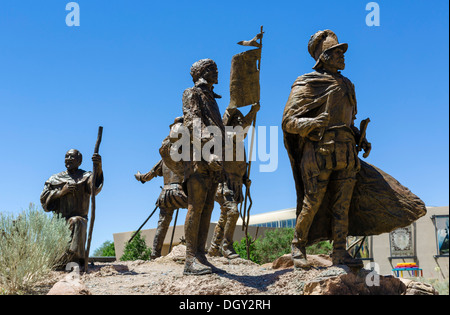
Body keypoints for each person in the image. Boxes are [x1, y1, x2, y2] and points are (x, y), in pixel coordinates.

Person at [282, 30, 371, 268]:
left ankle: (340, 252)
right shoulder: (307, 82)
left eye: (342, 51)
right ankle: (298, 246)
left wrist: (359, 137)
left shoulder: (348, 84)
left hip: (346, 152)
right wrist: (311, 123)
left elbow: (348, 122)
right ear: (323, 57)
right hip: (319, 152)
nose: (343, 56)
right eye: (337, 52)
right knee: (313, 202)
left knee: (343, 204)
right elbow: (288, 122)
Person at [182, 58, 226, 275]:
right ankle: (190, 258)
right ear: (200, 73)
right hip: (199, 159)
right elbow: (193, 123)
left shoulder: (212, 98)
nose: (217, 71)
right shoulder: (192, 93)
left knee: (208, 207)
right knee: (196, 206)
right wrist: (208, 155)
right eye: (211, 69)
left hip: (214, 160)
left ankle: (200, 255)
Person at [208, 103, 259, 259]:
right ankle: (227, 246)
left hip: (236, 185)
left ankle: (213, 249)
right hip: (224, 183)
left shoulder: (240, 145)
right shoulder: (225, 138)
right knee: (232, 212)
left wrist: (245, 180)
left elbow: (240, 165)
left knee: (225, 216)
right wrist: (248, 111)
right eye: (237, 121)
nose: (241, 124)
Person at [40, 149, 103, 269]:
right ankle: (59, 261)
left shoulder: (86, 176)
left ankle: (74, 261)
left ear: (79, 161)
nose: (68, 158)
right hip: (59, 220)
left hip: (79, 219)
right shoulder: (55, 178)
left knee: (76, 221)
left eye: (72, 157)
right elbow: (44, 200)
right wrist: (60, 192)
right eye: (66, 156)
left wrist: (98, 167)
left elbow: (94, 188)